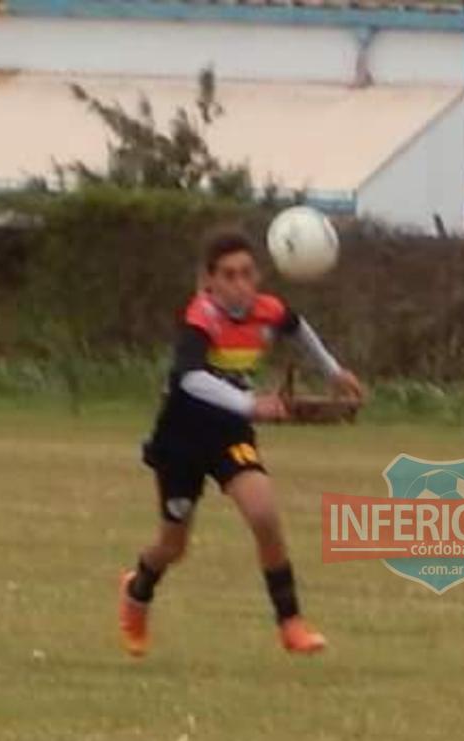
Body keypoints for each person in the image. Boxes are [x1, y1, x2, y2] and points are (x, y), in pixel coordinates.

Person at [118, 231, 363, 657]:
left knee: (264, 514)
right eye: (229, 275)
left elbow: (298, 328)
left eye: (247, 274)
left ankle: (291, 623)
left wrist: (333, 371)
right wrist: (249, 404)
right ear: (209, 281)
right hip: (181, 441)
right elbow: (190, 379)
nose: (240, 285)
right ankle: (136, 591)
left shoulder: (267, 311)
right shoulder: (202, 317)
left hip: (229, 435)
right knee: (173, 546)